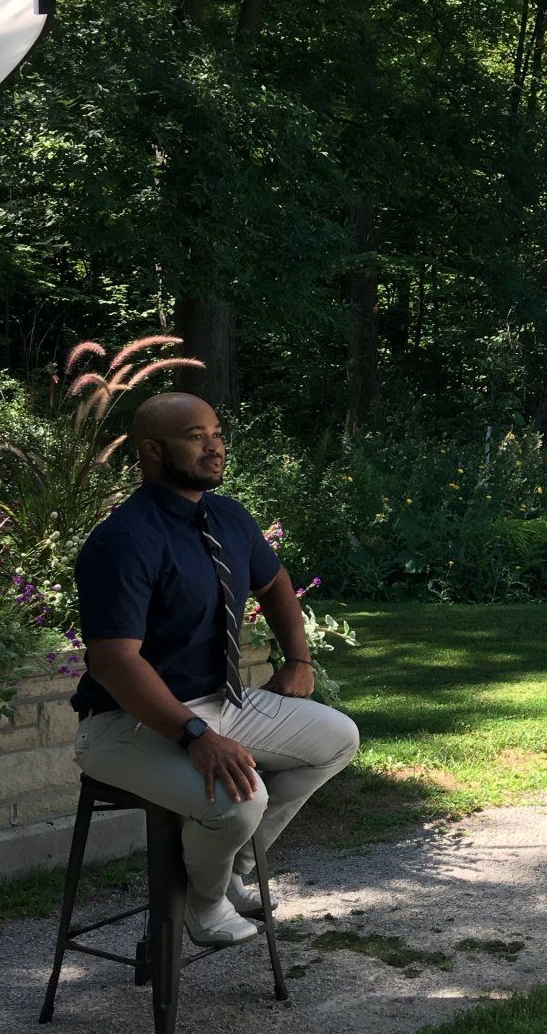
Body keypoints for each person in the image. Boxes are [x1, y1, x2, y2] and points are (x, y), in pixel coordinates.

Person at [70, 392, 360, 945]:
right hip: (125, 723)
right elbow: (113, 661)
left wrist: (298, 658)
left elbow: (275, 583)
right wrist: (196, 735)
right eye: (195, 436)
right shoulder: (125, 539)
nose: (215, 447)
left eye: (218, 434)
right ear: (153, 451)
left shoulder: (227, 516)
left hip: (221, 701)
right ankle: (201, 907)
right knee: (239, 801)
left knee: (337, 738)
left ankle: (231, 873)